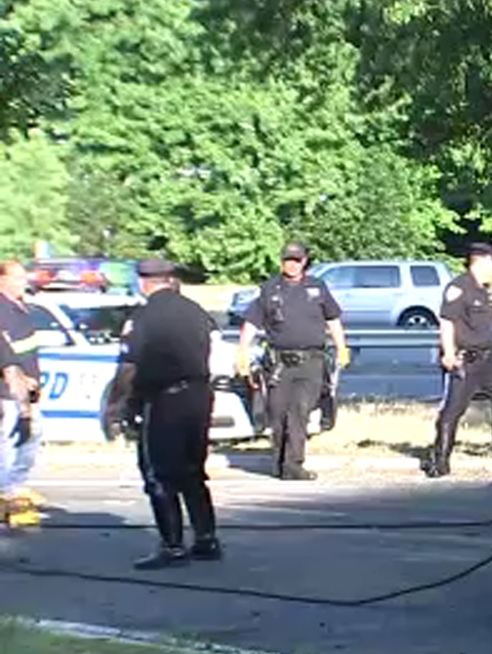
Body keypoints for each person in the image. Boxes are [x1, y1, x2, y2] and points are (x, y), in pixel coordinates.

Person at [108, 259, 222, 569]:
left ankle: (172, 546)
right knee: (193, 470)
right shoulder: (196, 311)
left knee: (159, 474)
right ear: (170, 280)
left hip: (165, 399)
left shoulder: (144, 317)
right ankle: (206, 538)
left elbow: (129, 367)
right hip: (199, 396)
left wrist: (117, 406)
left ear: (143, 282)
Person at [236, 241, 349, 480]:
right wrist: (243, 351)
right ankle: (280, 463)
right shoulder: (269, 289)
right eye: (288, 260)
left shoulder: (317, 287)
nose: (292, 265)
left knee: (299, 411)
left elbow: (333, 319)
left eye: (297, 260)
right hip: (279, 363)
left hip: (311, 361)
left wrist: (341, 347)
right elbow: (252, 322)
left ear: (304, 262)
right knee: (277, 414)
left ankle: (294, 465)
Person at [423, 242, 492, 478]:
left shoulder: (484, 290)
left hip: (487, 358)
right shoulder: (458, 288)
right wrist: (449, 353)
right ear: (483, 261)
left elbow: (490, 320)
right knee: (453, 409)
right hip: (464, 358)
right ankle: (440, 459)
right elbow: (447, 322)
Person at [0, 260, 44, 526]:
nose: (23, 283)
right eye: (17, 278)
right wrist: (17, 379)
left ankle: (15, 485)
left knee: (33, 434)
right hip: (8, 388)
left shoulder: (20, 308)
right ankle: (5, 491)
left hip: (28, 387)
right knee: (7, 438)